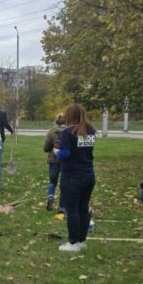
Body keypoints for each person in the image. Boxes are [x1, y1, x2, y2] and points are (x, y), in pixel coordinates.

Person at [54, 103, 96, 252]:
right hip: (88, 175)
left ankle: (73, 243)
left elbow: (65, 154)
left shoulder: (68, 132)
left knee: (72, 210)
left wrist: (56, 151)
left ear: (69, 115)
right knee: (83, 208)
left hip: (72, 176)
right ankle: (82, 241)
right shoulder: (91, 130)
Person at [43, 114, 66, 211]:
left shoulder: (51, 132)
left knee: (52, 182)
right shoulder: (69, 131)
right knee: (64, 183)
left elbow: (46, 148)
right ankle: (62, 207)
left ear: (55, 121)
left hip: (53, 159)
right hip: (65, 159)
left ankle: (50, 197)